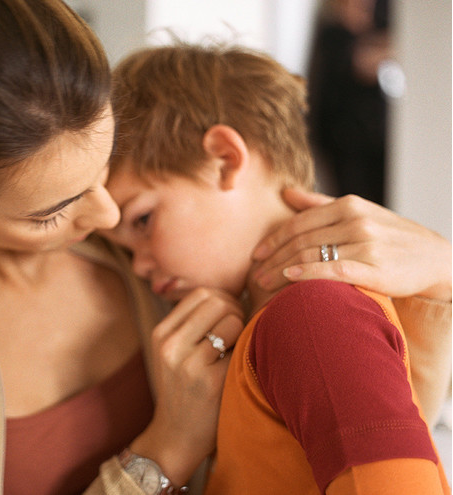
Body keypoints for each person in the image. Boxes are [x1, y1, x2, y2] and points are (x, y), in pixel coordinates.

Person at [0, 0, 449, 494]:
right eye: (54, 207)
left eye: (104, 172)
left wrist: (441, 274)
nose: (104, 216)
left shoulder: (179, 254)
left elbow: (369, 405)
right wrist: (161, 453)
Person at [104, 42, 450, 494]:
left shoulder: (314, 314)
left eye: (144, 220)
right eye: (125, 251)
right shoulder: (271, 320)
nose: (142, 266)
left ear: (225, 159)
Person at [307, 0, 392, 204]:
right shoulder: (333, 39)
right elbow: (363, 65)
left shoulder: (379, 25)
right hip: (342, 141)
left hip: (372, 141)